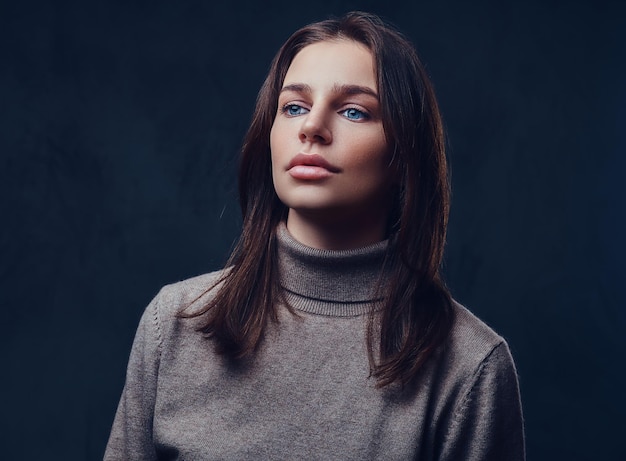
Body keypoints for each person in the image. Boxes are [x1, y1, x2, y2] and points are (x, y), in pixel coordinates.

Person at [105, 11, 525, 460]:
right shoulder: (174, 324)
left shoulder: (470, 366)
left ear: (404, 155)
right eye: (294, 107)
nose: (311, 127)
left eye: (353, 111)